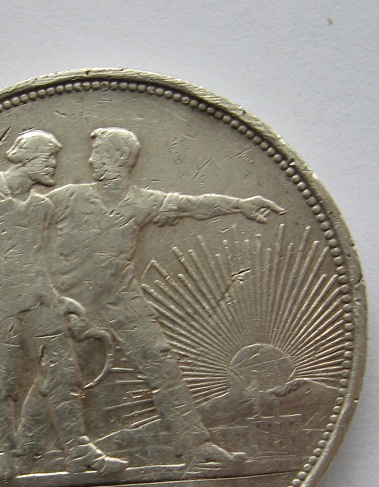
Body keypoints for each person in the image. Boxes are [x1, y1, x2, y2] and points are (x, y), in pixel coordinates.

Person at [45, 127, 286, 465]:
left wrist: (239, 206)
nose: (91, 161)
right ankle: (26, 450)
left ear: (120, 158)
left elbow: (192, 206)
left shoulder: (140, 202)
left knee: (163, 367)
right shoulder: (68, 197)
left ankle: (196, 446)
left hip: (122, 302)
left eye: (98, 154)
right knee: (58, 377)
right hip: (72, 305)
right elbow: (21, 215)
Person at [0, 129, 126, 480]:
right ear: (27, 158)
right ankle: (3, 455)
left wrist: (59, 301)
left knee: (64, 375)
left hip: (40, 307)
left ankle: (78, 451)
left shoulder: (41, 208)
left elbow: (33, 264)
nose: (54, 166)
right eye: (48, 158)